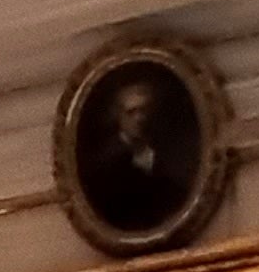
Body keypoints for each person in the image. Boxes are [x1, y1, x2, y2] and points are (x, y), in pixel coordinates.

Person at [74, 65, 198, 235]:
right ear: (119, 117)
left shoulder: (166, 156)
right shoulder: (105, 165)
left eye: (144, 111)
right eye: (131, 112)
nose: (139, 119)